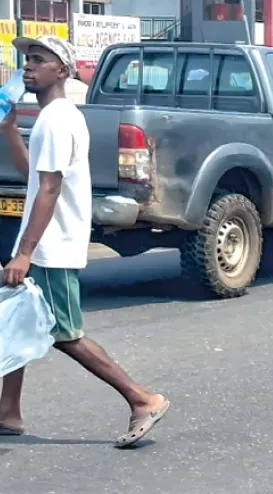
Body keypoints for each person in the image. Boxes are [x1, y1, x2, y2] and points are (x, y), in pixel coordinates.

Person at [0, 35, 170, 448]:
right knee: (15, 321)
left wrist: (24, 252)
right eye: (26, 60)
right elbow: (35, 177)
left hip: (51, 247)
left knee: (64, 333)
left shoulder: (58, 118)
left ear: (63, 71)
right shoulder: (49, 118)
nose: (29, 66)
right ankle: (8, 413)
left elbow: (50, 190)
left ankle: (142, 398)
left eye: (39, 60)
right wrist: (8, 129)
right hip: (44, 243)